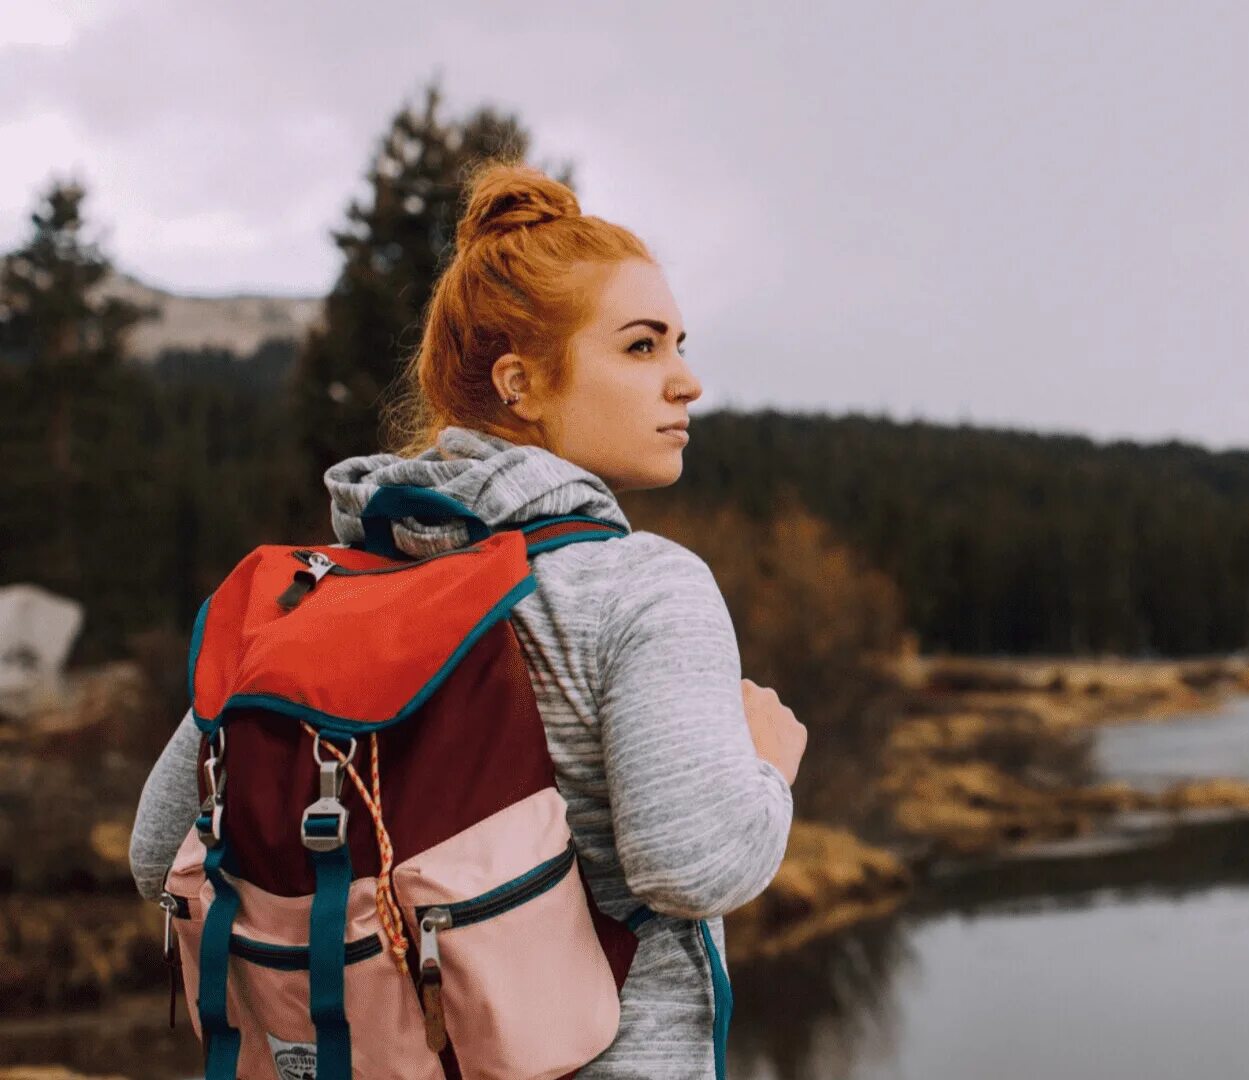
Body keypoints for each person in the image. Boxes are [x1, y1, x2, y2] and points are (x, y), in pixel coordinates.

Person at [127, 160, 809, 1079]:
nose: (687, 381)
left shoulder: (308, 597)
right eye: (643, 347)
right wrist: (766, 768)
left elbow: (153, 854)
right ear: (522, 384)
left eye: (681, 344)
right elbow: (689, 866)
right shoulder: (644, 584)